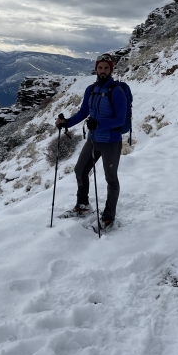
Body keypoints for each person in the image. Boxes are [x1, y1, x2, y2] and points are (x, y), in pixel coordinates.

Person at [55, 53, 127, 229]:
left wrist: (99, 124)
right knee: (80, 170)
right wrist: (66, 123)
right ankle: (83, 205)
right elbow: (83, 113)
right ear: (96, 68)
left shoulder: (117, 92)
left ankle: (109, 217)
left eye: (106, 68)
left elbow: (121, 120)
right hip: (93, 140)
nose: (103, 71)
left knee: (111, 180)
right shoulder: (90, 90)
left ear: (111, 70)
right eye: (100, 67)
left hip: (111, 142)